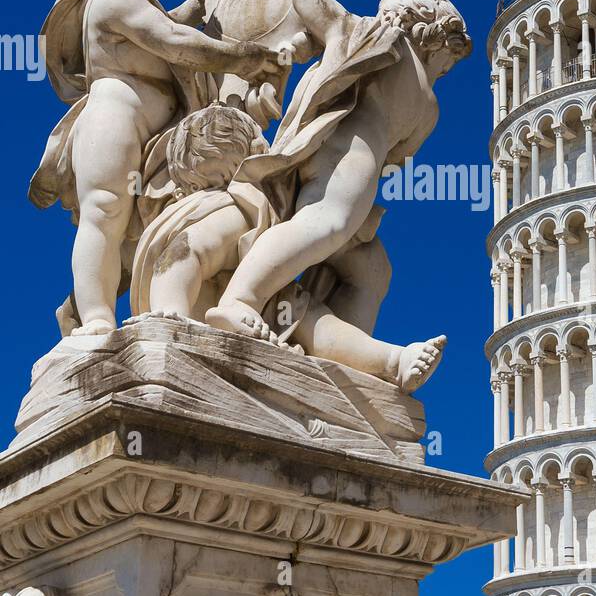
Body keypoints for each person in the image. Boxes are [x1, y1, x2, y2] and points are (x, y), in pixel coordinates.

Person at [28, 0, 285, 336]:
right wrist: (242, 57)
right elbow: (172, 42)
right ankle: (95, 318)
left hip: (155, 135)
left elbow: (170, 26)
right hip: (115, 115)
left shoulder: (145, 7)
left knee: (129, 234)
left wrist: (200, 1)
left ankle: (89, 308)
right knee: (105, 212)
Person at [204, 0, 472, 345]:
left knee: (372, 270)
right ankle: (240, 299)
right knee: (327, 221)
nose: (447, 69)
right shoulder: (382, 41)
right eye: (449, 58)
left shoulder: (427, 103)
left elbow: (398, 157)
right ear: (431, 34)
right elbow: (315, 5)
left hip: (363, 171)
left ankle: (342, 357)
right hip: (345, 150)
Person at [130, 103, 445, 391]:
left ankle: (393, 360)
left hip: (248, 309)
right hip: (197, 314)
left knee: (307, 315)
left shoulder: (243, 212)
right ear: (256, 154)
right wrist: (170, 316)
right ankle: (392, 359)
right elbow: (185, 252)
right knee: (309, 317)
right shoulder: (232, 207)